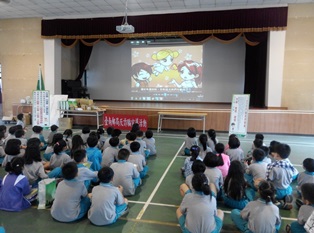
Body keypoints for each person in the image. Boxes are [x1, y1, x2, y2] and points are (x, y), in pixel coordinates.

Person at [266, 142, 298, 210]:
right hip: (288, 189)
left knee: (266, 191)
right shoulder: (289, 164)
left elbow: (269, 179)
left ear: (277, 155)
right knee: (288, 187)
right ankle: (286, 198)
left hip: (277, 191)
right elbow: (295, 174)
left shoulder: (273, 166)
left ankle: (278, 203)